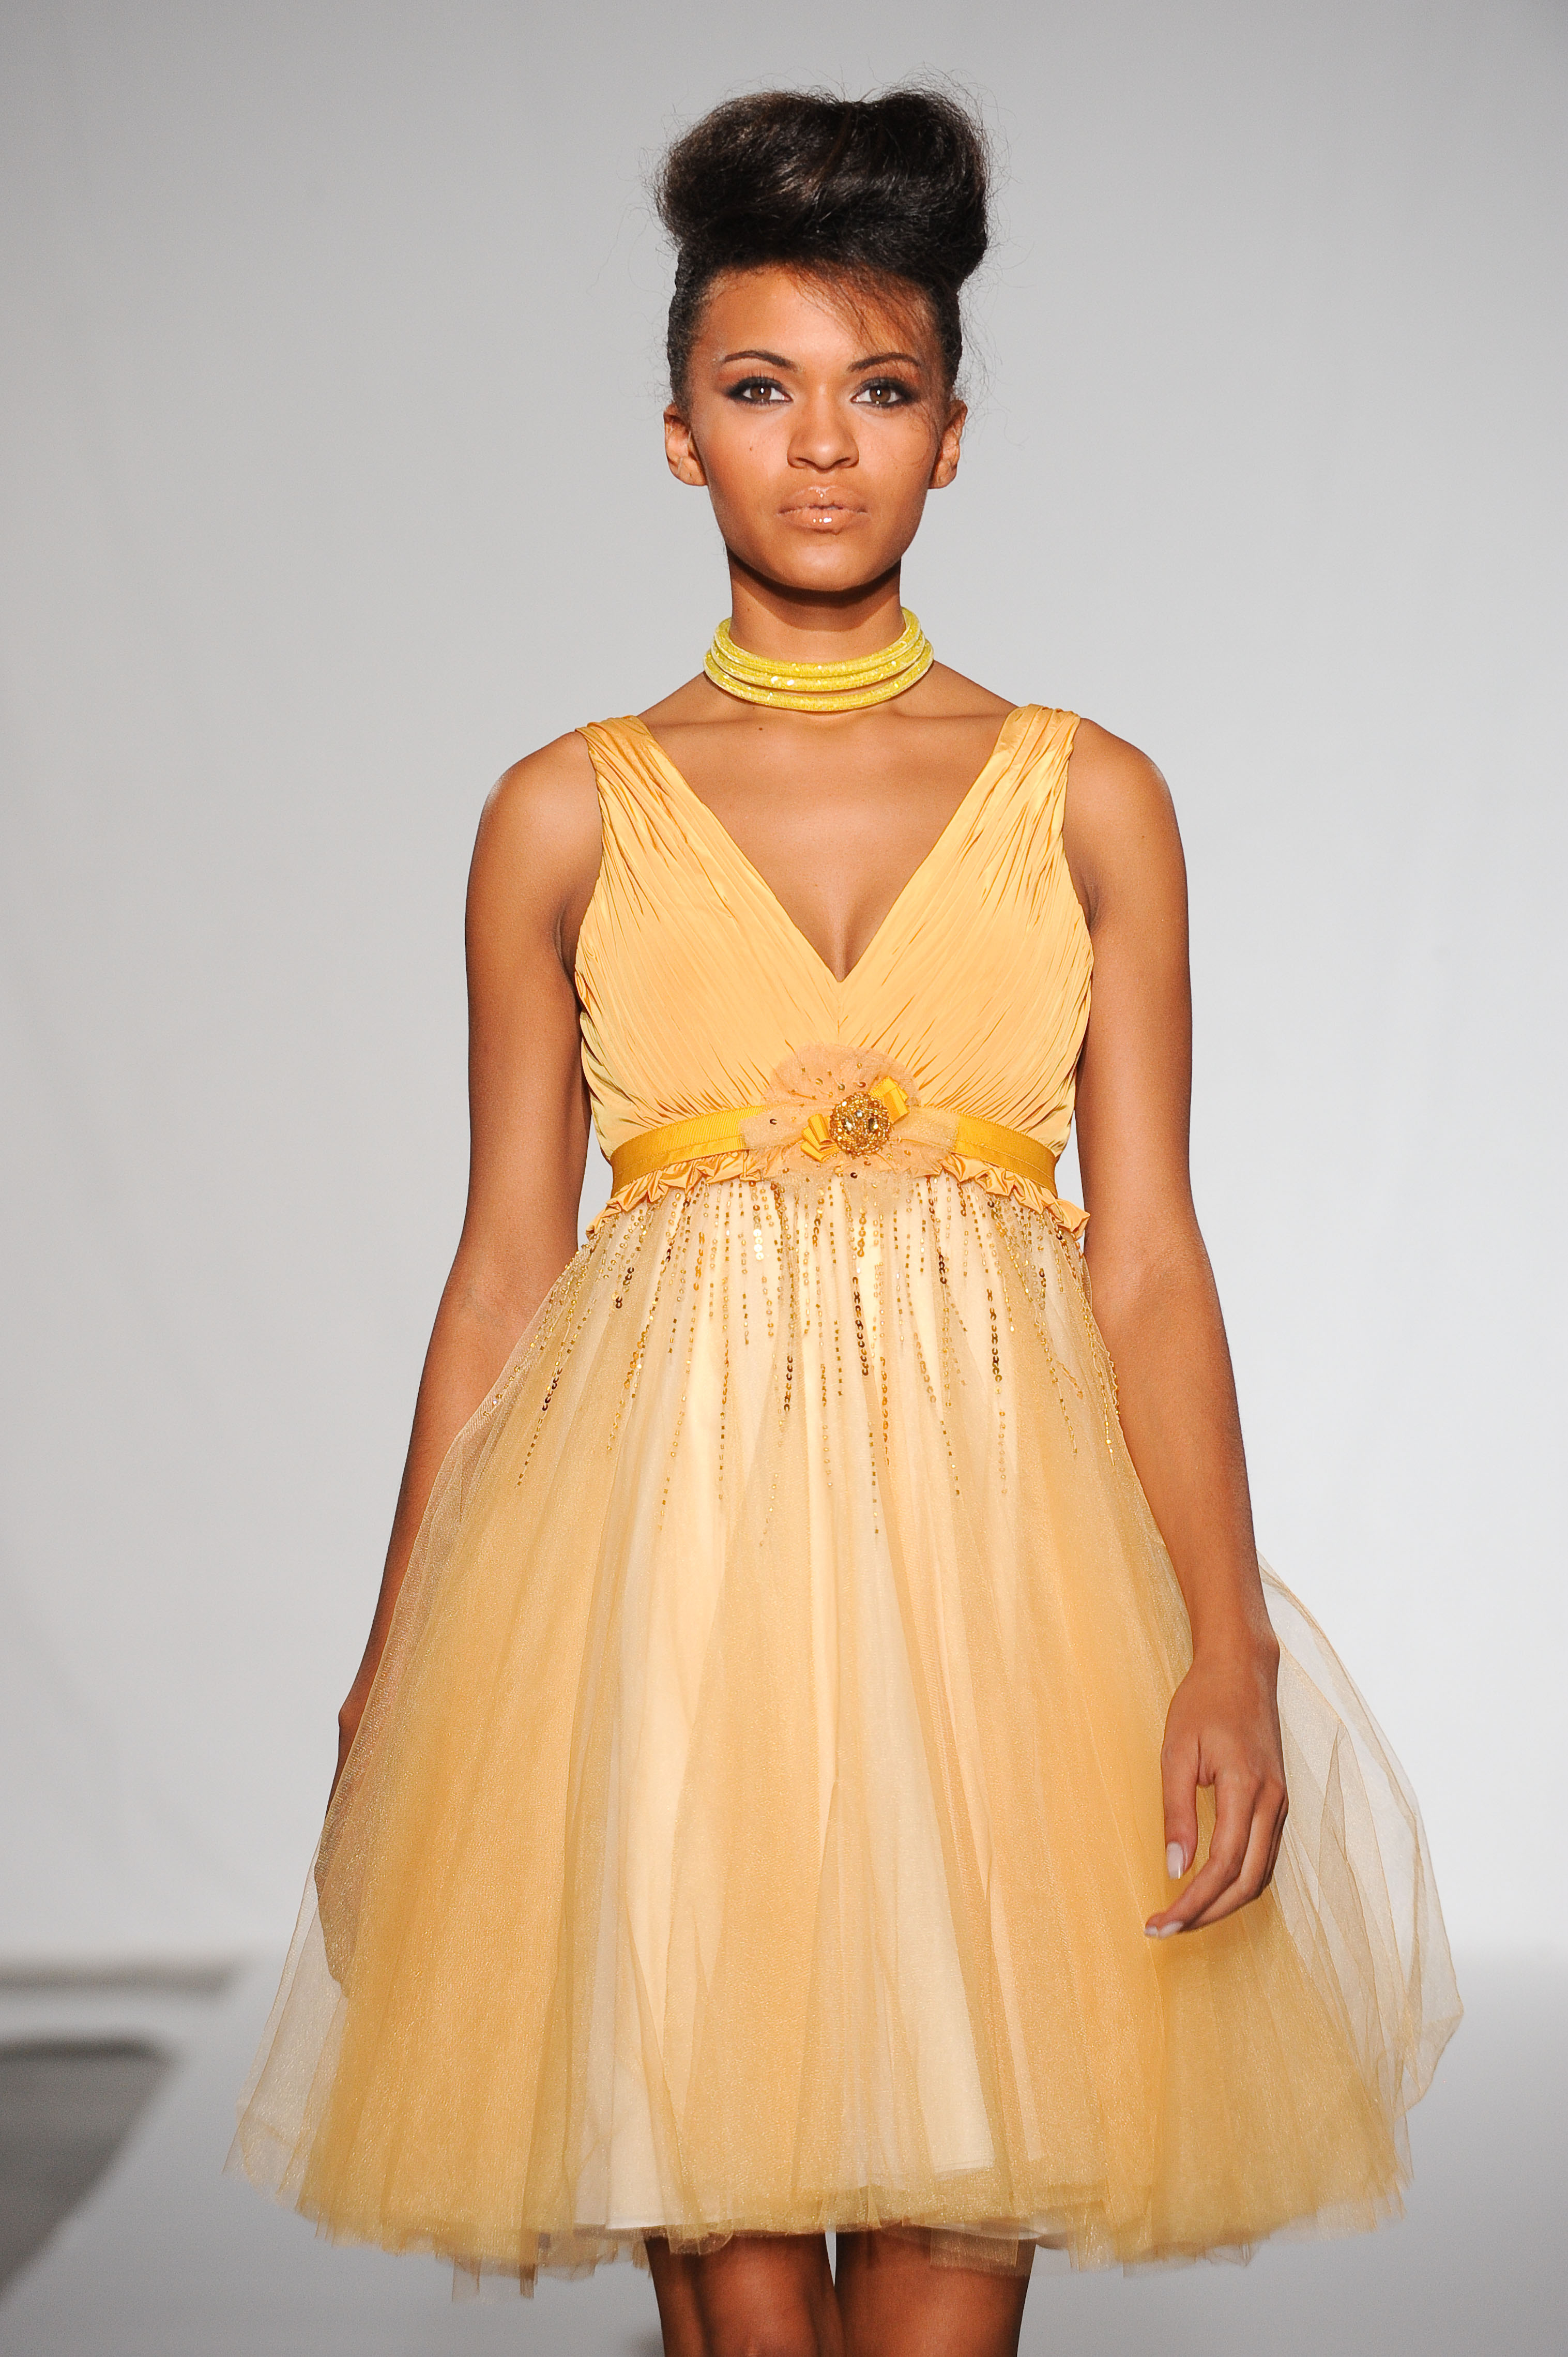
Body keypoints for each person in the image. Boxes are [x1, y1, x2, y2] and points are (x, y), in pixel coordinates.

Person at [229, 87, 1460, 2357]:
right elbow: (503, 1270)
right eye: (759, 388)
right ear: (677, 433)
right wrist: (392, 1683)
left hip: (1002, 1588)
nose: (820, 448)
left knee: (949, 2246)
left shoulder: (1090, 798)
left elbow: (1149, 1254)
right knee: (731, 2279)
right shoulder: (559, 816)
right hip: (661, 1576)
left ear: (952, 437)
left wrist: (1226, 1643)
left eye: (878, 391)